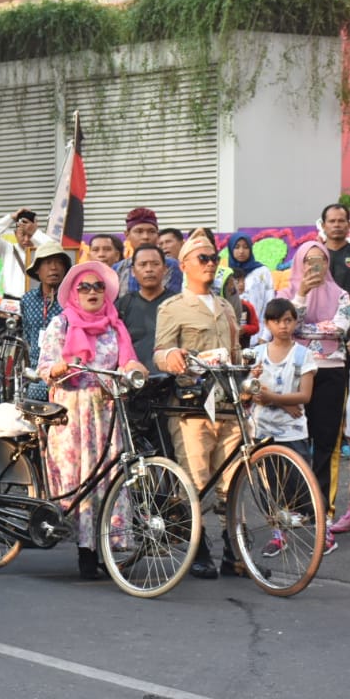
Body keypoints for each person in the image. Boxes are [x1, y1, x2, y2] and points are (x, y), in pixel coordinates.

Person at [38, 261, 145, 579]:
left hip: (107, 413)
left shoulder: (116, 326)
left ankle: (106, 548)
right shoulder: (62, 323)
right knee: (81, 480)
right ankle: (85, 552)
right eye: (84, 287)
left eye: (98, 286)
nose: (92, 292)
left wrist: (136, 371)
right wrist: (63, 366)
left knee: (109, 480)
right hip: (73, 414)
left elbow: (128, 361)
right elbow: (45, 367)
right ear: (73, 292)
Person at [154, 228, 244, 579]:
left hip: (227, 402)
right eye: (202, 259)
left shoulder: (225, 305)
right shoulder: (172, 307)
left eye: (213, 259)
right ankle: (198, 548)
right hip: (191, 407)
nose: (210, 265)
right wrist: (172, 355)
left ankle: (234, 551)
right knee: (195, 478)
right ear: (184, 265)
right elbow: (160, 352)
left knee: (233, 479)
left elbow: (235, 352)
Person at [277, 239, 349, 555]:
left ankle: (322, 512)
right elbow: (286, 326)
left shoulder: (343, 295)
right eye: (309, 261)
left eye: (320, 260)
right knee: (291, 442)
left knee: (324, 443)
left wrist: (306, 332)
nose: (314, 267)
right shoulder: (287, 295)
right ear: (299, 264)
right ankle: (292, 509)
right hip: (295, 372)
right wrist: (302, 293)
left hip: (332, 375)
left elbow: (341, 329)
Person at [250, 298, 318, 555]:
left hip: (293, 431)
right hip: (263, 430)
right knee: (269, 488)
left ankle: (322, 528)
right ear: (267, 323)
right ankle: (278, 535)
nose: (283, 326)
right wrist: (280, 402)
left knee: (301, 485)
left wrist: (274, 399)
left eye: (288, 320)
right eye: (277, 321)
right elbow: (253, 391)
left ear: (295, 321)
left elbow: (305, 396)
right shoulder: (257, 354)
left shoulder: (303, 354)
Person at [21, 241, 71, 400]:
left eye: (59, 263)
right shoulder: (27, 300)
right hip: (36, 377)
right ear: (38, 270)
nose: (54, 268)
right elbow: (27, 335)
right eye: (48, 263)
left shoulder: (72, 299)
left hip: (65, 377)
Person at [116, 244, 175, 370]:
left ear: (165, 269)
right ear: (132, 271)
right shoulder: (123, 305)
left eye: (155, 264)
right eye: (142, 264)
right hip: (134, 379)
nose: (149, 269)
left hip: (171, 380)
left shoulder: (177, 303)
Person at [0, 207, 49, 299]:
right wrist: (11, 217)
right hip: (10, 302)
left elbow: (59, 249)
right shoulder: (7, 248)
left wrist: (35, 232)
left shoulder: (43, 249)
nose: (26, 239)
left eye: (30, 235)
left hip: (36, 302)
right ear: (15, 233)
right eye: (22, 234)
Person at [115, 208, 183, 296]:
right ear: (127, 235)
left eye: (151, 231)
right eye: (139, 231)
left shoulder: (172, 265)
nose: (145, 237)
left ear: (157, 235)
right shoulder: (118, 269)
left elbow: (171, 300)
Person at [226, 233, 274, 344]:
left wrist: (265, 336)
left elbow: (269, 303)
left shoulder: (262, 271)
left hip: (258, 335)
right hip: (232, 339)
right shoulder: (226, 274)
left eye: (245, 247)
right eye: (237, 247)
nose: (241, 251)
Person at [224, 268, 259, 349]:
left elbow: (256, 327)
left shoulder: (248, 306)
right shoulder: (221, 305)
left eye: (243, 281)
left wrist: (245, 329)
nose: (241, 284)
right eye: (237, 281)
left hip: (243, 348)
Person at [319, 204, 350, 293]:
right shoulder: (314, 254)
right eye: (332, 221)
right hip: (321, 306)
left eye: (341, 221)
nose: (336, 225)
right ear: (323, 226)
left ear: (349, 225)